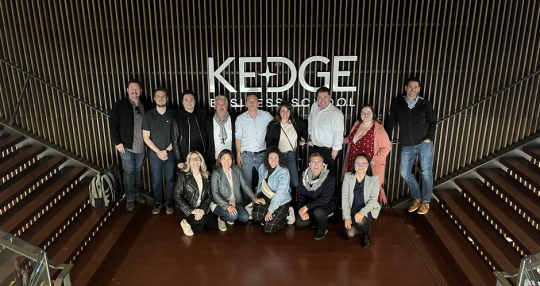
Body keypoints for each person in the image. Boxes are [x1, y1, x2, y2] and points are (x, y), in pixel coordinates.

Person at [384, 77, 437, 215]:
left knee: (426, 172)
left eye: (415, 87)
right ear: (406, 88)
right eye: (410, 87)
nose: (413, 89)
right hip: (407, 145)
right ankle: (417, 197)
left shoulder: (425, 104)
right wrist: (386, 138)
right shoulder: (398, 104)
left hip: (424, 144)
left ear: (418, 89)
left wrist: (429, 138)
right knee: (405, 173)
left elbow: (432, 122)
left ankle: (426, 201)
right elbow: (390, 122)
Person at [109, 79, 147, 211]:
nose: (134, 91)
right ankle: (130, 197)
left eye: (137, 89)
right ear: (127, 90)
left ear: (141, 91)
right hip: (125, 146)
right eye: (132, 88)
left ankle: (137, 193)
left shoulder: (145, 104)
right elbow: (113, 124)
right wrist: (117, 142)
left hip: (142, 145)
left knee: (137, 170)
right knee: (129, 171)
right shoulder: (120, 105)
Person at [341, 105, 391, 205]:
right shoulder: (357, 124)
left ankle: (366, 212)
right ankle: (352, 207)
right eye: (363, 113)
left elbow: (387, 147)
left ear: (373, 114)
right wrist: (335, 141)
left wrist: (375, 160)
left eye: (369, 113)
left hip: (367, 166)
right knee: (352, 187)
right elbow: (351, 139)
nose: (366, 115)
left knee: (366, 188)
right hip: (352, 162)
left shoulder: (378, 129)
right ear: (360, 115)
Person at [142, 87, 176, 215]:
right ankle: (157, 202)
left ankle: (169, 202)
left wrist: (166, 151)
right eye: (158, 96)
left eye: (163, 96)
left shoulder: (173, 114)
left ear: (167, 98)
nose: (161, 98)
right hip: (154, 155)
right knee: (156, 179)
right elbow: (146, 137)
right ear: (154, 98)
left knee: (171, 179)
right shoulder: (148, 116)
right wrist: (159, 152)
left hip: (170, 154)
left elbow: (177, 137)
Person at [342, 153, 381, 248]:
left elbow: (373, 199)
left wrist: (362, 212)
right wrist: (347, 216)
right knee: (350, 233)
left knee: (361, 221)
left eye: (364, 164)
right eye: (357, 164)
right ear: (354, 165)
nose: (360, 166)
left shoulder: (374, 178)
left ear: (368, 165)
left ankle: (366, 235)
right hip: (352, 207)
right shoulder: (347, 176)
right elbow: (345, 197)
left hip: (367, 208)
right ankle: (357, 224)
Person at [174, 151, 218, 236]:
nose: (195, 161)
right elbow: (177, 196)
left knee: (213, 226)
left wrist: (202, 209)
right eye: (192, 159)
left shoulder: (206, 175)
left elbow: (209, 196)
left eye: (197, 158)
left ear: (201, 161)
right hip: (186, 207)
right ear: (189, 162)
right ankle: (185, 222)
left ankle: (194, 221)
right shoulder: (183, 175)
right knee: (201, 220)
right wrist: (192, 211)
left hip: (200, 206)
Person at [211, 149, 256, 231]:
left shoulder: (236, 170)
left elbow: (245, 186)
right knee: (233, 216)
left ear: (232, 160)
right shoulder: (216, 173)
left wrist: (254, 198)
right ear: (220, 160)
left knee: (245, 217)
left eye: (229, 159)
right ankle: (221, 218)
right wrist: (227, 206)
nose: (226, 161)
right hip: (219, 203)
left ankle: (229, 215)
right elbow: (215, 193)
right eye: (224, 158)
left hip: (235, 202)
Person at [265, 101, 308, 188]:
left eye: (288, 110)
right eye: (283, 110)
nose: (285, 113)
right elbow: (269, 142)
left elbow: (305, 127)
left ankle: (288, 198)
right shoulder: (273, 125)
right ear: (279, 112)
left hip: (291, 155)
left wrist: (303, 139)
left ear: (290, 112)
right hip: (278, 156)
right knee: (279, 181)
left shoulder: (295, 123)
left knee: (294, 182)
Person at [235, 94, 274, 189]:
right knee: (246, 182)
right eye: (249, 101)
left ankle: (262, 202)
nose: (252, 103)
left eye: (254, 101)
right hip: (246, 155)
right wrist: (238, 154)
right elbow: (238, 137)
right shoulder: (240, 119)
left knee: (264, 180)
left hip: (262, 154)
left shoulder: (266, 116)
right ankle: (247, 203)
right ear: (246, 103)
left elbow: (277, 124)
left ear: (258, 103)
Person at [252, 146, 293, 235]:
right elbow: (260, 184)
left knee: (269, 229)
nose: (273, 161)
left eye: (276, 158)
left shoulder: (284, 172)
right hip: (266, 197)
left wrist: (270, 211)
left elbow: (280, 194)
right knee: (256, 215)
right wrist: (255, 198)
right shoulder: (263, 167)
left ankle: (286, 215)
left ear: (279, 159)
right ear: (267, 158)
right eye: (270, 158)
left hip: (281, 200)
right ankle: (270, 217)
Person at [296, 152, 336, 240]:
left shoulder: (330, 178)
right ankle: (318, 218)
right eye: (313, 163)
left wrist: (306, 207)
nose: (316, 165)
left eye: (319, 162)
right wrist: (302, 210)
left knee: (319, 211)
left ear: (323, 164)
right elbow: (301, 195)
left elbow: (325, 199)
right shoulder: (303, 177)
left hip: (327, 203)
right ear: (310, 165)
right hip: (310, 204)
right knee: (300, 223)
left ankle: (323, 228)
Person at [307, 87, 344, 179]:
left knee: (328, 178)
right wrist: (311, 137)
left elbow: (338, 136)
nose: (322, 100)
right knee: (314, 176)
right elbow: (311, 120)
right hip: (315, 149)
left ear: (329, 97)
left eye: (325, 97)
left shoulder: (336, 114)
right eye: (320, 97)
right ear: (316, 98)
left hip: (329, 152)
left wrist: (333, 157)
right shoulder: (315, 106)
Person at [172, 90, 209, 170]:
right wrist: (179, 160)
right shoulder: (178, 117)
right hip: (186, 156)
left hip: (203, 155)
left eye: (191, 99)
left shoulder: (203, 113)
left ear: (195, 101)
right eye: (186, 100)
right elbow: (175, 140)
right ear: (182, 102)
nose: (189, 102)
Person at [206, 95, 236, 169]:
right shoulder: (208, 121)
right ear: (215, 106)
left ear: (227, 106)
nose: (221, 107)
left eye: (223, 104)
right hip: (215, 159)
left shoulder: (234, 120)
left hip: (231, 159)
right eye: (218, 104)